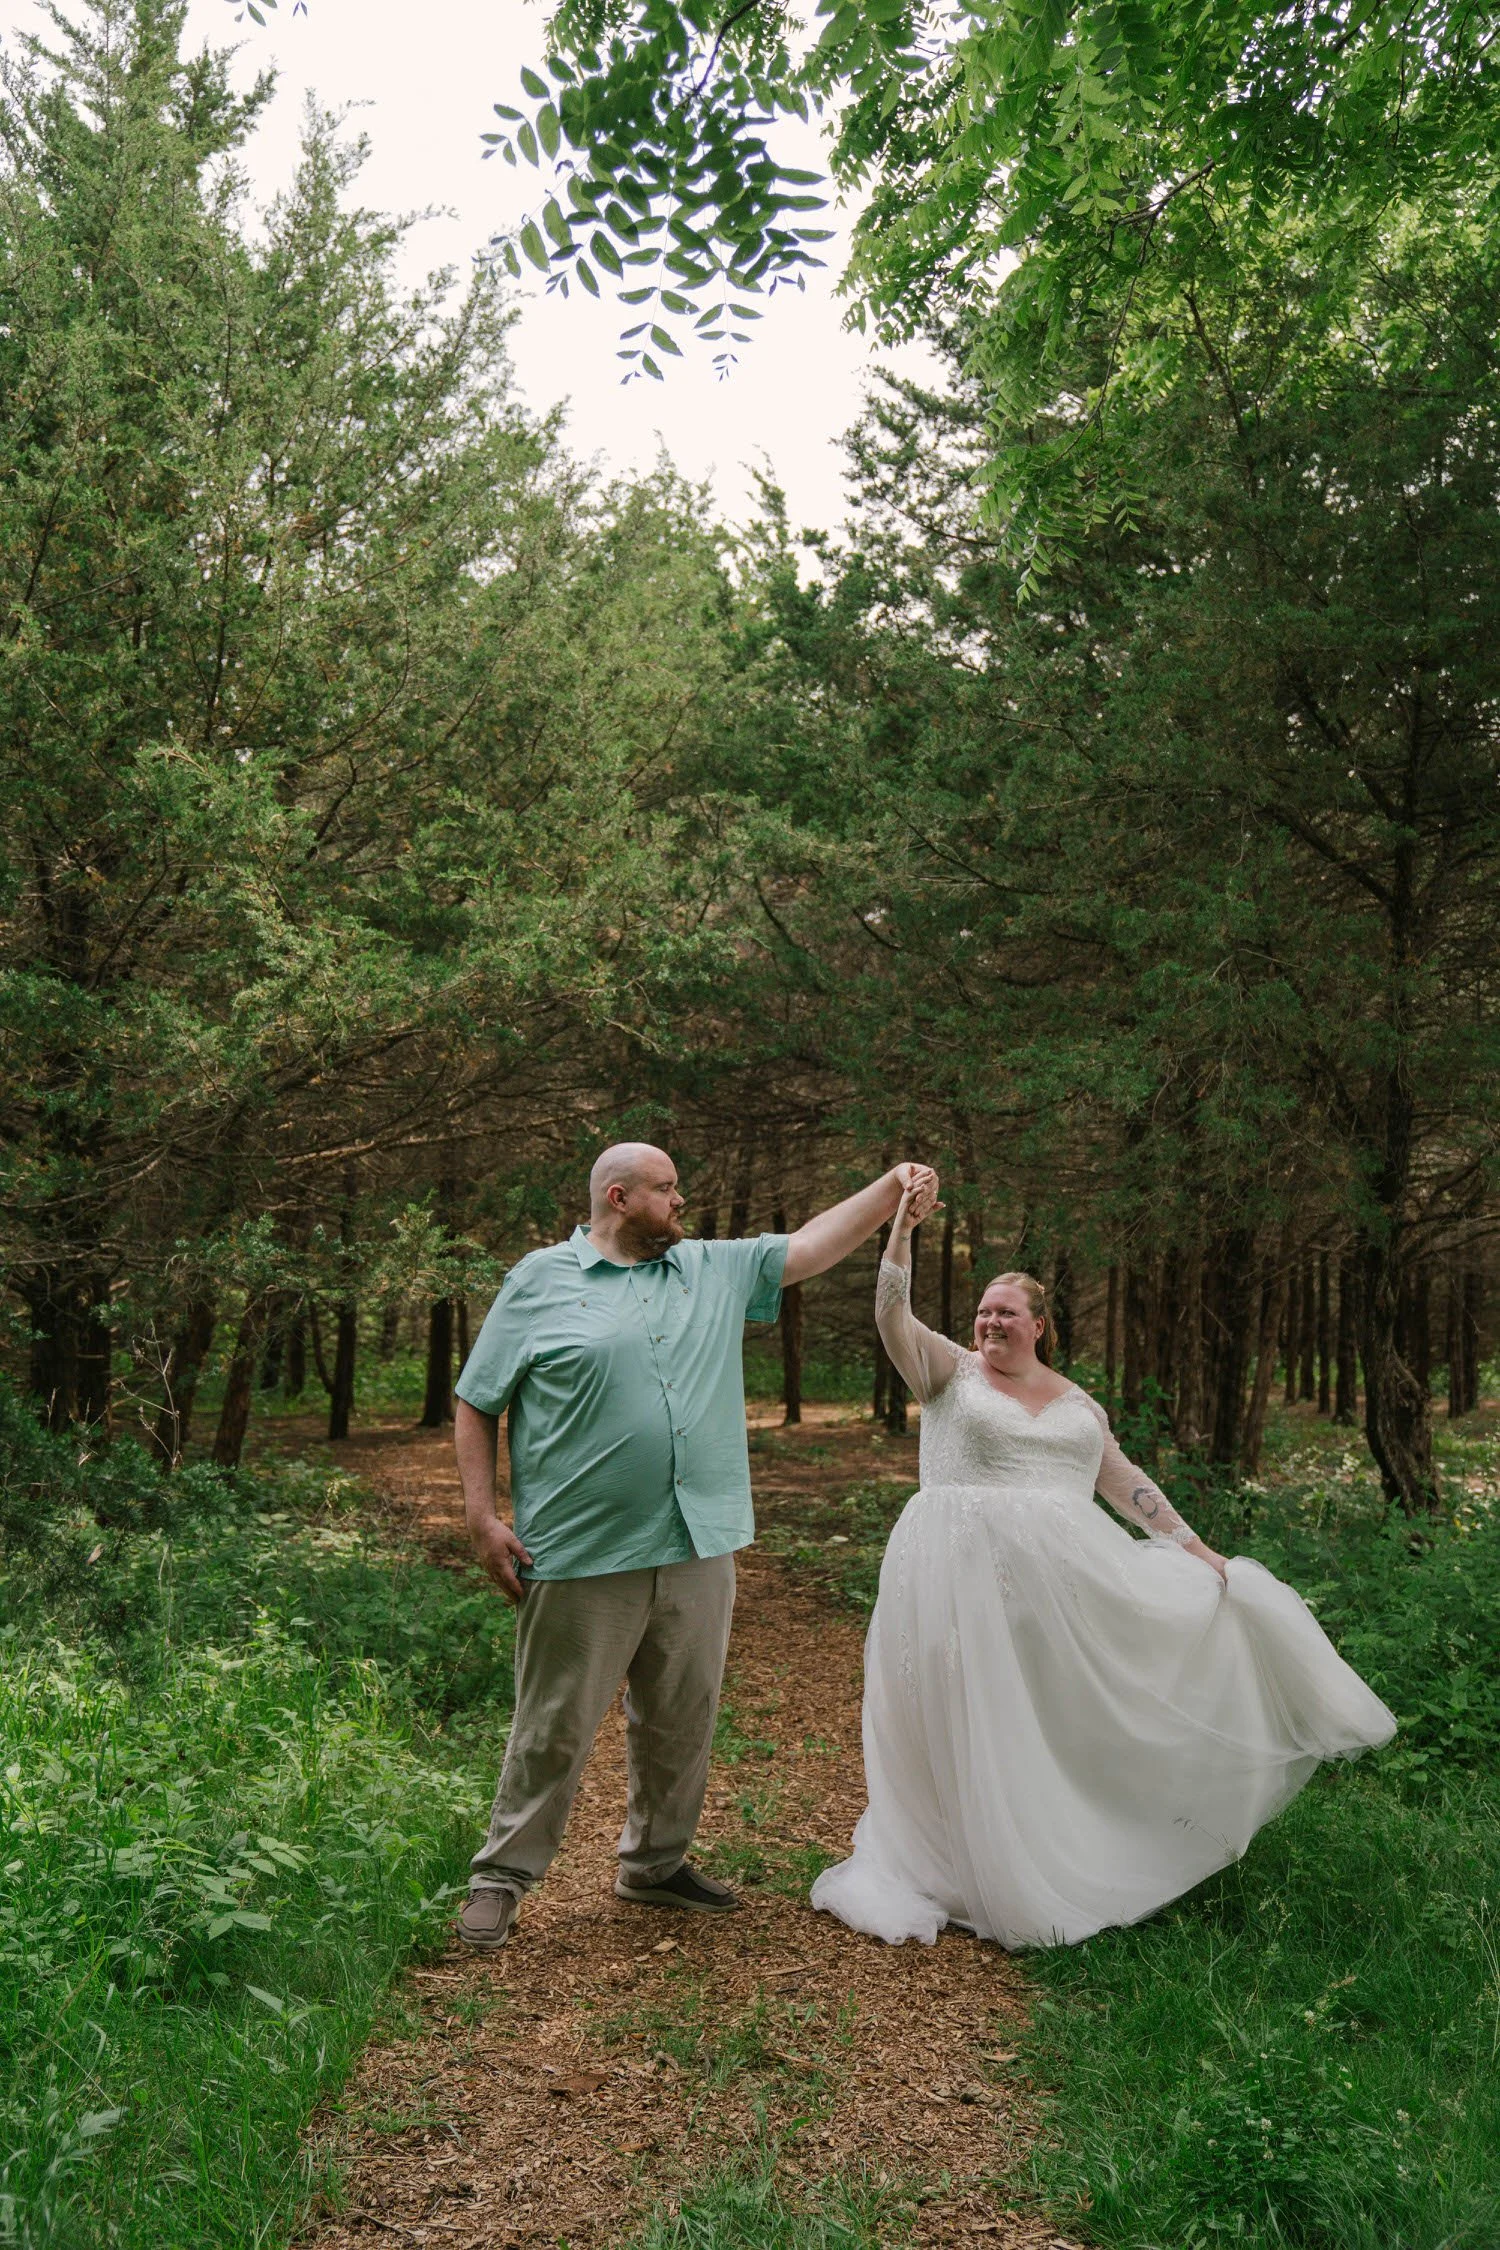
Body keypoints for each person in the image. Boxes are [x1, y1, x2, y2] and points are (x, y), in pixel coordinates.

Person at [811, 1180, 1396, 1949]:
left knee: (1050, 1712)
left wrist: (1196, 1548)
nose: (989, 1320)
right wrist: (901, 1232)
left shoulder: (1079, 1404)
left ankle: (1066, 1843)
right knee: (965, 1708)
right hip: (953, 1571)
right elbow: (891, 1310)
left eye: (1005, 1312)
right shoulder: (946, 1372)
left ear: (1039, 1326)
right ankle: (955, 1861)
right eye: (984, 1310)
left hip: (1063, 1583)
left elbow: (1125, 1484)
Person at [453, 1142, 938, 1949]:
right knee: (555, 1723)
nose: (682, 1201)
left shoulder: (709, 1268)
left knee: (681, 1715)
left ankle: (653, 1864)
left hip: (696, 1541)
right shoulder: (540, 1279)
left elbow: (813, 1245)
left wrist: (891, 1188)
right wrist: (480, 1517)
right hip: (578, 1547)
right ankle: (499, 1877)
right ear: (619, 1196)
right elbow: (478, 1400)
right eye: (667, 1189)